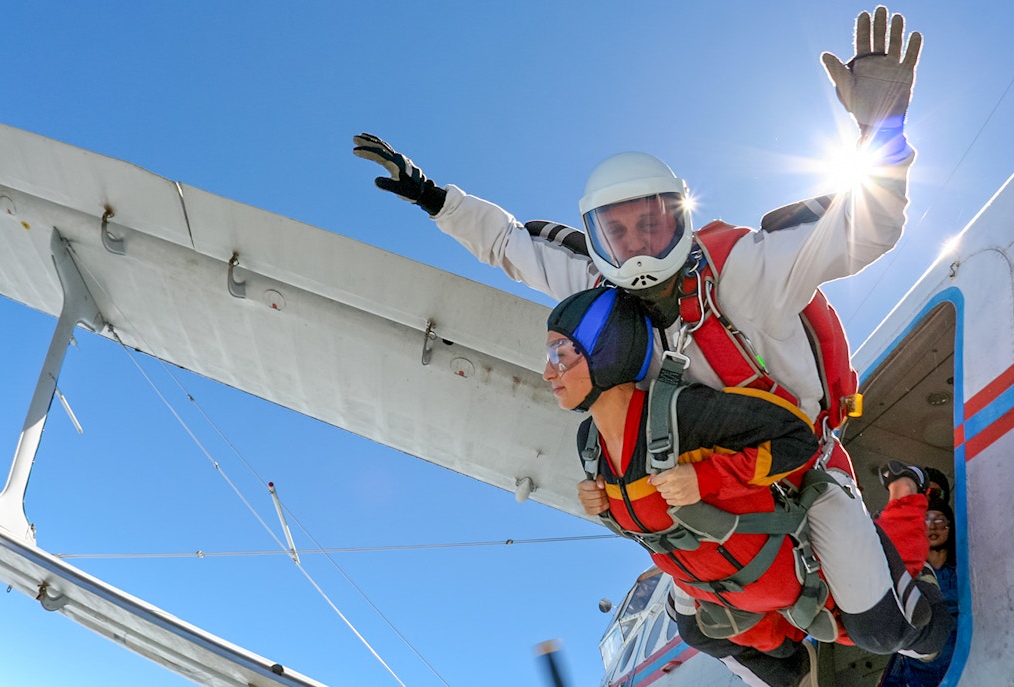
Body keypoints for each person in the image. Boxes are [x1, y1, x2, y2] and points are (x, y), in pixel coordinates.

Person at [356, 4, 937, 661]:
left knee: (883, 630)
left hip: (799, 464)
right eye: (617, 231)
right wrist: (436, 198)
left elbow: (868, 226)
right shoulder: (598, 292)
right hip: (700, 477)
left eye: (650, 223)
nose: (634, 244)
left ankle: (911, 584)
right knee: (697, 626)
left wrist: (882, 130)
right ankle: (783, 653)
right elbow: (510, 245)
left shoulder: (745, 270)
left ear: (679, 218)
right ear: (598, 237)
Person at [545, 287, 952, 687]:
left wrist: (705, 477)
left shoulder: (682, 412)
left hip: (783, 545)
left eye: (559, 355)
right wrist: (602, 504)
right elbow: (647, 517)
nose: (548, 373)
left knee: (888, 631)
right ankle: (796, 674)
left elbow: (797, 440)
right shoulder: (590, 445)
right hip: (726, 584)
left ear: (606, 351)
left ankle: (908, 499)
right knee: (696, 630)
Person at [878, 465, 960, 687]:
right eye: (921, 493)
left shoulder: (961, 568)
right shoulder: (900, 560)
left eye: (939, 520)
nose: (932, 526)